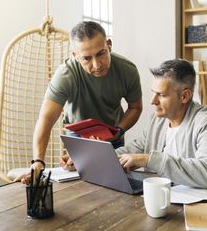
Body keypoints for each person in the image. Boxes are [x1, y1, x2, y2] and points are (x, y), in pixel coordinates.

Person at [17, 21, 143, 183]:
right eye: (87, 58)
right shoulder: (65, 74)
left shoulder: (127, 70)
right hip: (78, 137)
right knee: (78, 184)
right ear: (74, 56)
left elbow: (135, 107)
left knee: (116, 183)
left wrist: (117, 131)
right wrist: (38, 162)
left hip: (113, 133)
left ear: (109, 45)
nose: (97, 65)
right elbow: (46, 119)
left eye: (101, 53)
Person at [116, 59, 207, 189]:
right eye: (153, 92)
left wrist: (149, 160)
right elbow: (136, 148)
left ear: (185, 96)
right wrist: (104, 156)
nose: (153, 101)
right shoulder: (158, 120)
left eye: (162, 95)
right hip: (172, 197)